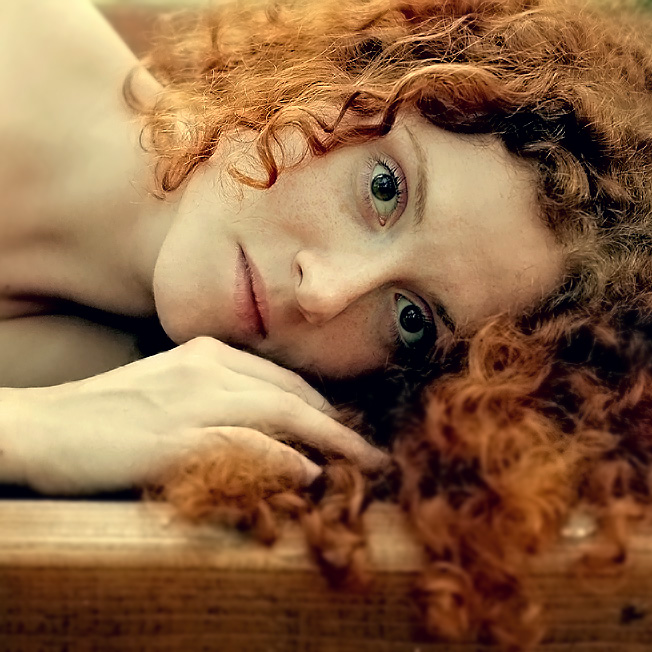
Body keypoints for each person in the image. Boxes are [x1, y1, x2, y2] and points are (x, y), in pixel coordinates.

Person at [1, 0, 650, 646]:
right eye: (384, 190)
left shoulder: (145, 408)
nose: (326, 292)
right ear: (345, 74)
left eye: (411, 321)